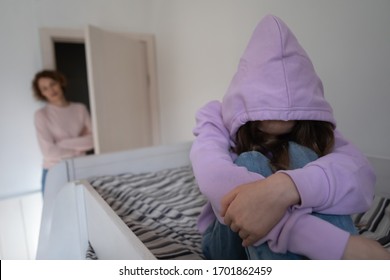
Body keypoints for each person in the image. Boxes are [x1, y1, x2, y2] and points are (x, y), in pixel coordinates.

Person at [190, 15, 390, 259]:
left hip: (291, 240)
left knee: (304, 155)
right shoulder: (215, 118)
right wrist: (337, 245)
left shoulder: (314, 130)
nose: (277, 115)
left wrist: (287, 187)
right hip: (230, 241)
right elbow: (216, 180)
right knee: (251, 161)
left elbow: (360, 175)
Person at [32, 69, 94, 194]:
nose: (51, 90)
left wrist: (61, 144)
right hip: (55, 170)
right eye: (44, 88)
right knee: (55, 213)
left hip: (81, 167)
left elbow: (93, 140)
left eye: (52, 84)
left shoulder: (80, 109)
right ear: (41, 93)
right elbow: (49, 153)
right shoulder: (41, 115)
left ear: (60, 83)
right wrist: (78, 148)